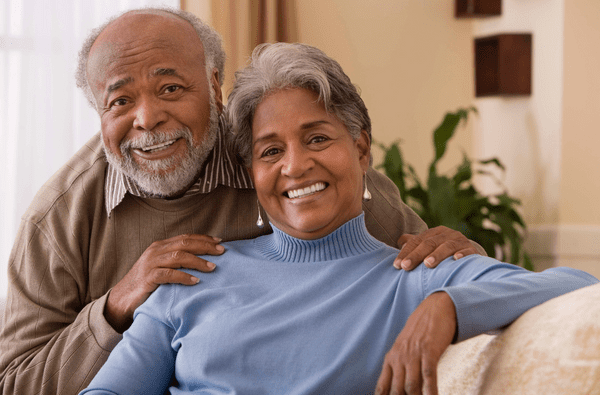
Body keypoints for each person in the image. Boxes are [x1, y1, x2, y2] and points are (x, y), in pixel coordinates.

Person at [0, 7, 483, 395]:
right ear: (99, 113)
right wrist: (116, 306)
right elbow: (14, 381)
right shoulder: (57, 219)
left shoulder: (285, 162)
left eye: (171, 88)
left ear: (214, 87)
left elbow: (438, 265)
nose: (147, 118)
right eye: (120, 101)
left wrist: (453, 278)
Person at [80, 42, 598, 395]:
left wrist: (449, 306)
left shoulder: (418, 278)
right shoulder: (192, 279)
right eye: (269, 151)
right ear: (252, 171)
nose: (295, 166)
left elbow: (580, 286)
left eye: (318, 138)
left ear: (361, 148)